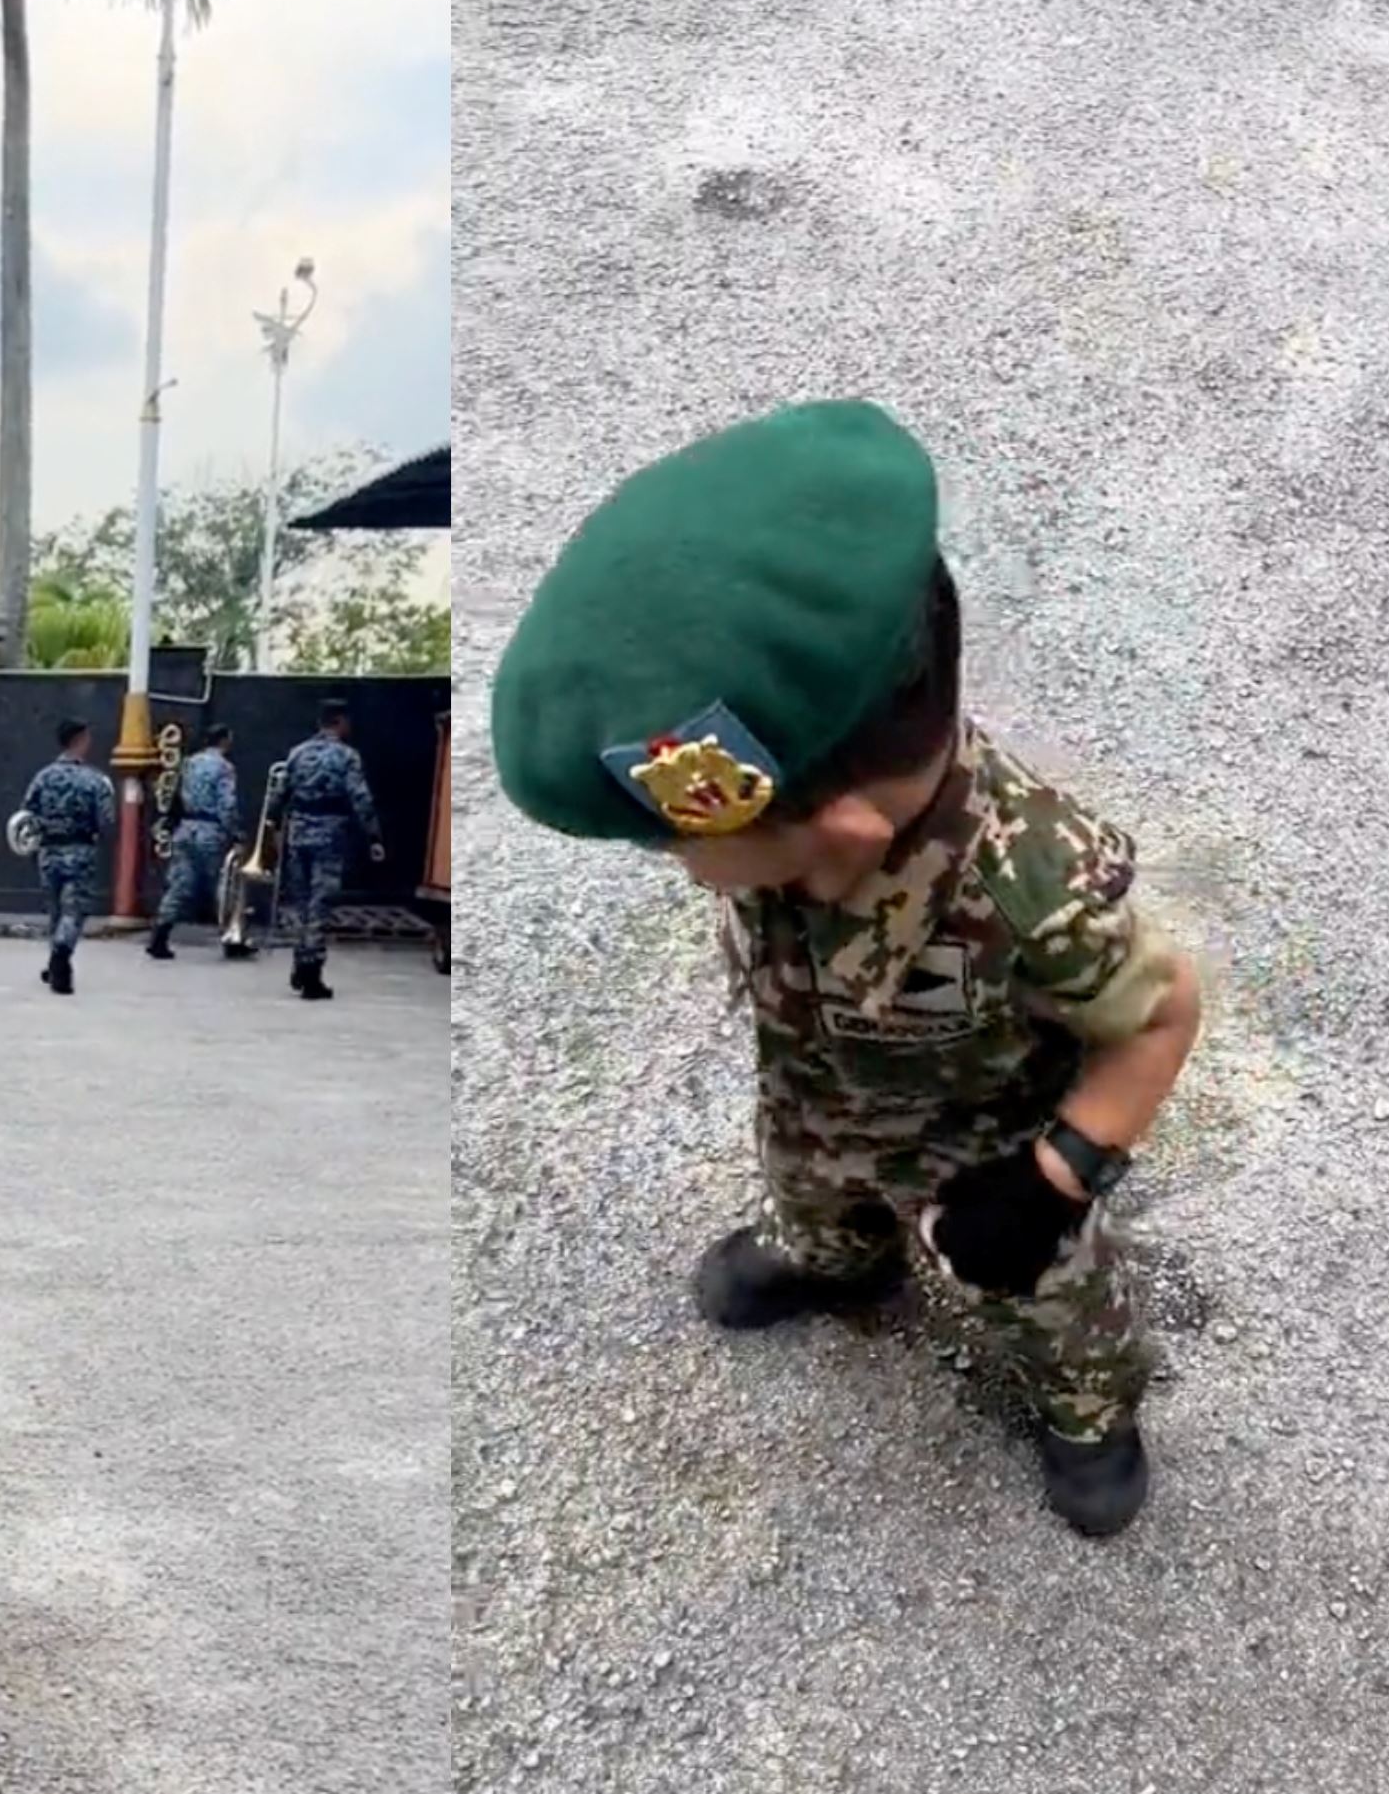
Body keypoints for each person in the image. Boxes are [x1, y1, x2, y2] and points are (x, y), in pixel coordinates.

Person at [488, 400, 1203, 1538]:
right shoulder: (798, 842)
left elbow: (1161, 1017)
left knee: (1042, 1291)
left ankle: (1086, 1407)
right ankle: (837, 1259)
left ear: (845, 832)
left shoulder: (1031, 887)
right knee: (806, 1181)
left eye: (686, 844)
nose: (683, 867)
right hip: (820, 1099)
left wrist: (1055, 1176)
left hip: (981, 1153)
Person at [271, 701, 385, 1001]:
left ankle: (300, 961)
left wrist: (274, 823)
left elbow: (280, 794)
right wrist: (374, 836)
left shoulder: (297, 753)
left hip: (298, 833)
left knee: (302, 904)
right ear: (340, 721)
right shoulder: (346, 756)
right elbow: (360, 798)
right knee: (320, 906)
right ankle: (311, 974)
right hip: (329, 835)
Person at [18, 716, 115, 995]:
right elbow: (106, 820)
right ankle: (61, 956)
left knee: (55, 910)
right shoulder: (94, 780)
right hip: (80, 850)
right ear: (81, 739)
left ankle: (55, 961)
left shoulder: (43, 776)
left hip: (48, 851)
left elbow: (26, 813)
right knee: (74, 910)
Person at [146, 724, 239, 961]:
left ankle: (160, 934)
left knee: (180, 883)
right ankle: (231, 937)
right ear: (224, 740)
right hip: (210, 829)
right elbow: (226, 804)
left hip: (185, 828)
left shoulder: (189, 763)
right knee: (223, 886)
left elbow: (176, 797)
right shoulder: (225, 768)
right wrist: (236, 832)